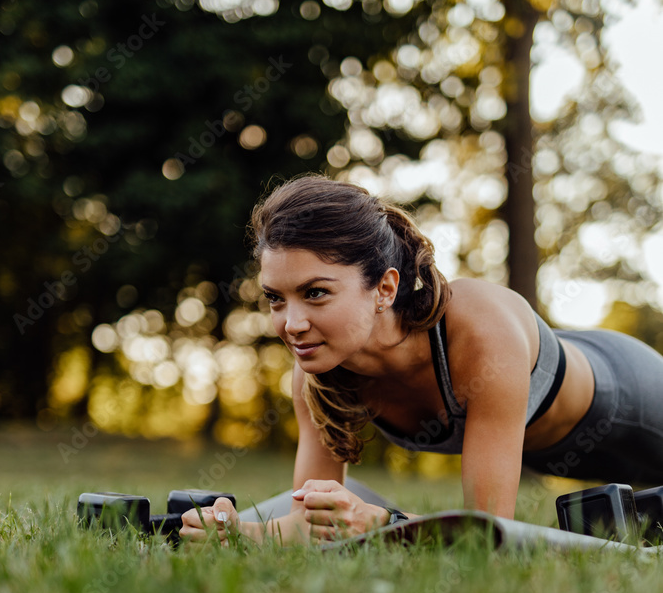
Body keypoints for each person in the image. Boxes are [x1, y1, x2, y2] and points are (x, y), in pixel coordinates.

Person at [180, 173, 663, 547]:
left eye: (316, 293)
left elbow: (488, 535)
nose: (292, 323)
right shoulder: (317, 374)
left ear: (385, 289)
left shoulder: (480, 330)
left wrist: (384, 521)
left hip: (629, 402)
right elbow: (314, 521)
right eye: (275, 299)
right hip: (545, 447)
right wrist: (239, 533)